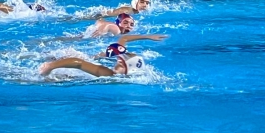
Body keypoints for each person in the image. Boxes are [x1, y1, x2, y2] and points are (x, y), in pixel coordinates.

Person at [39, 34, 168, 78]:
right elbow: (78, 63)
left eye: (121, 63)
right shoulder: (108, 73)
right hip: (71, 62)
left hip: (73, 66)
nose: (118, 61)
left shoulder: (112, 74)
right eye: (120, 60)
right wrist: (51, 67)